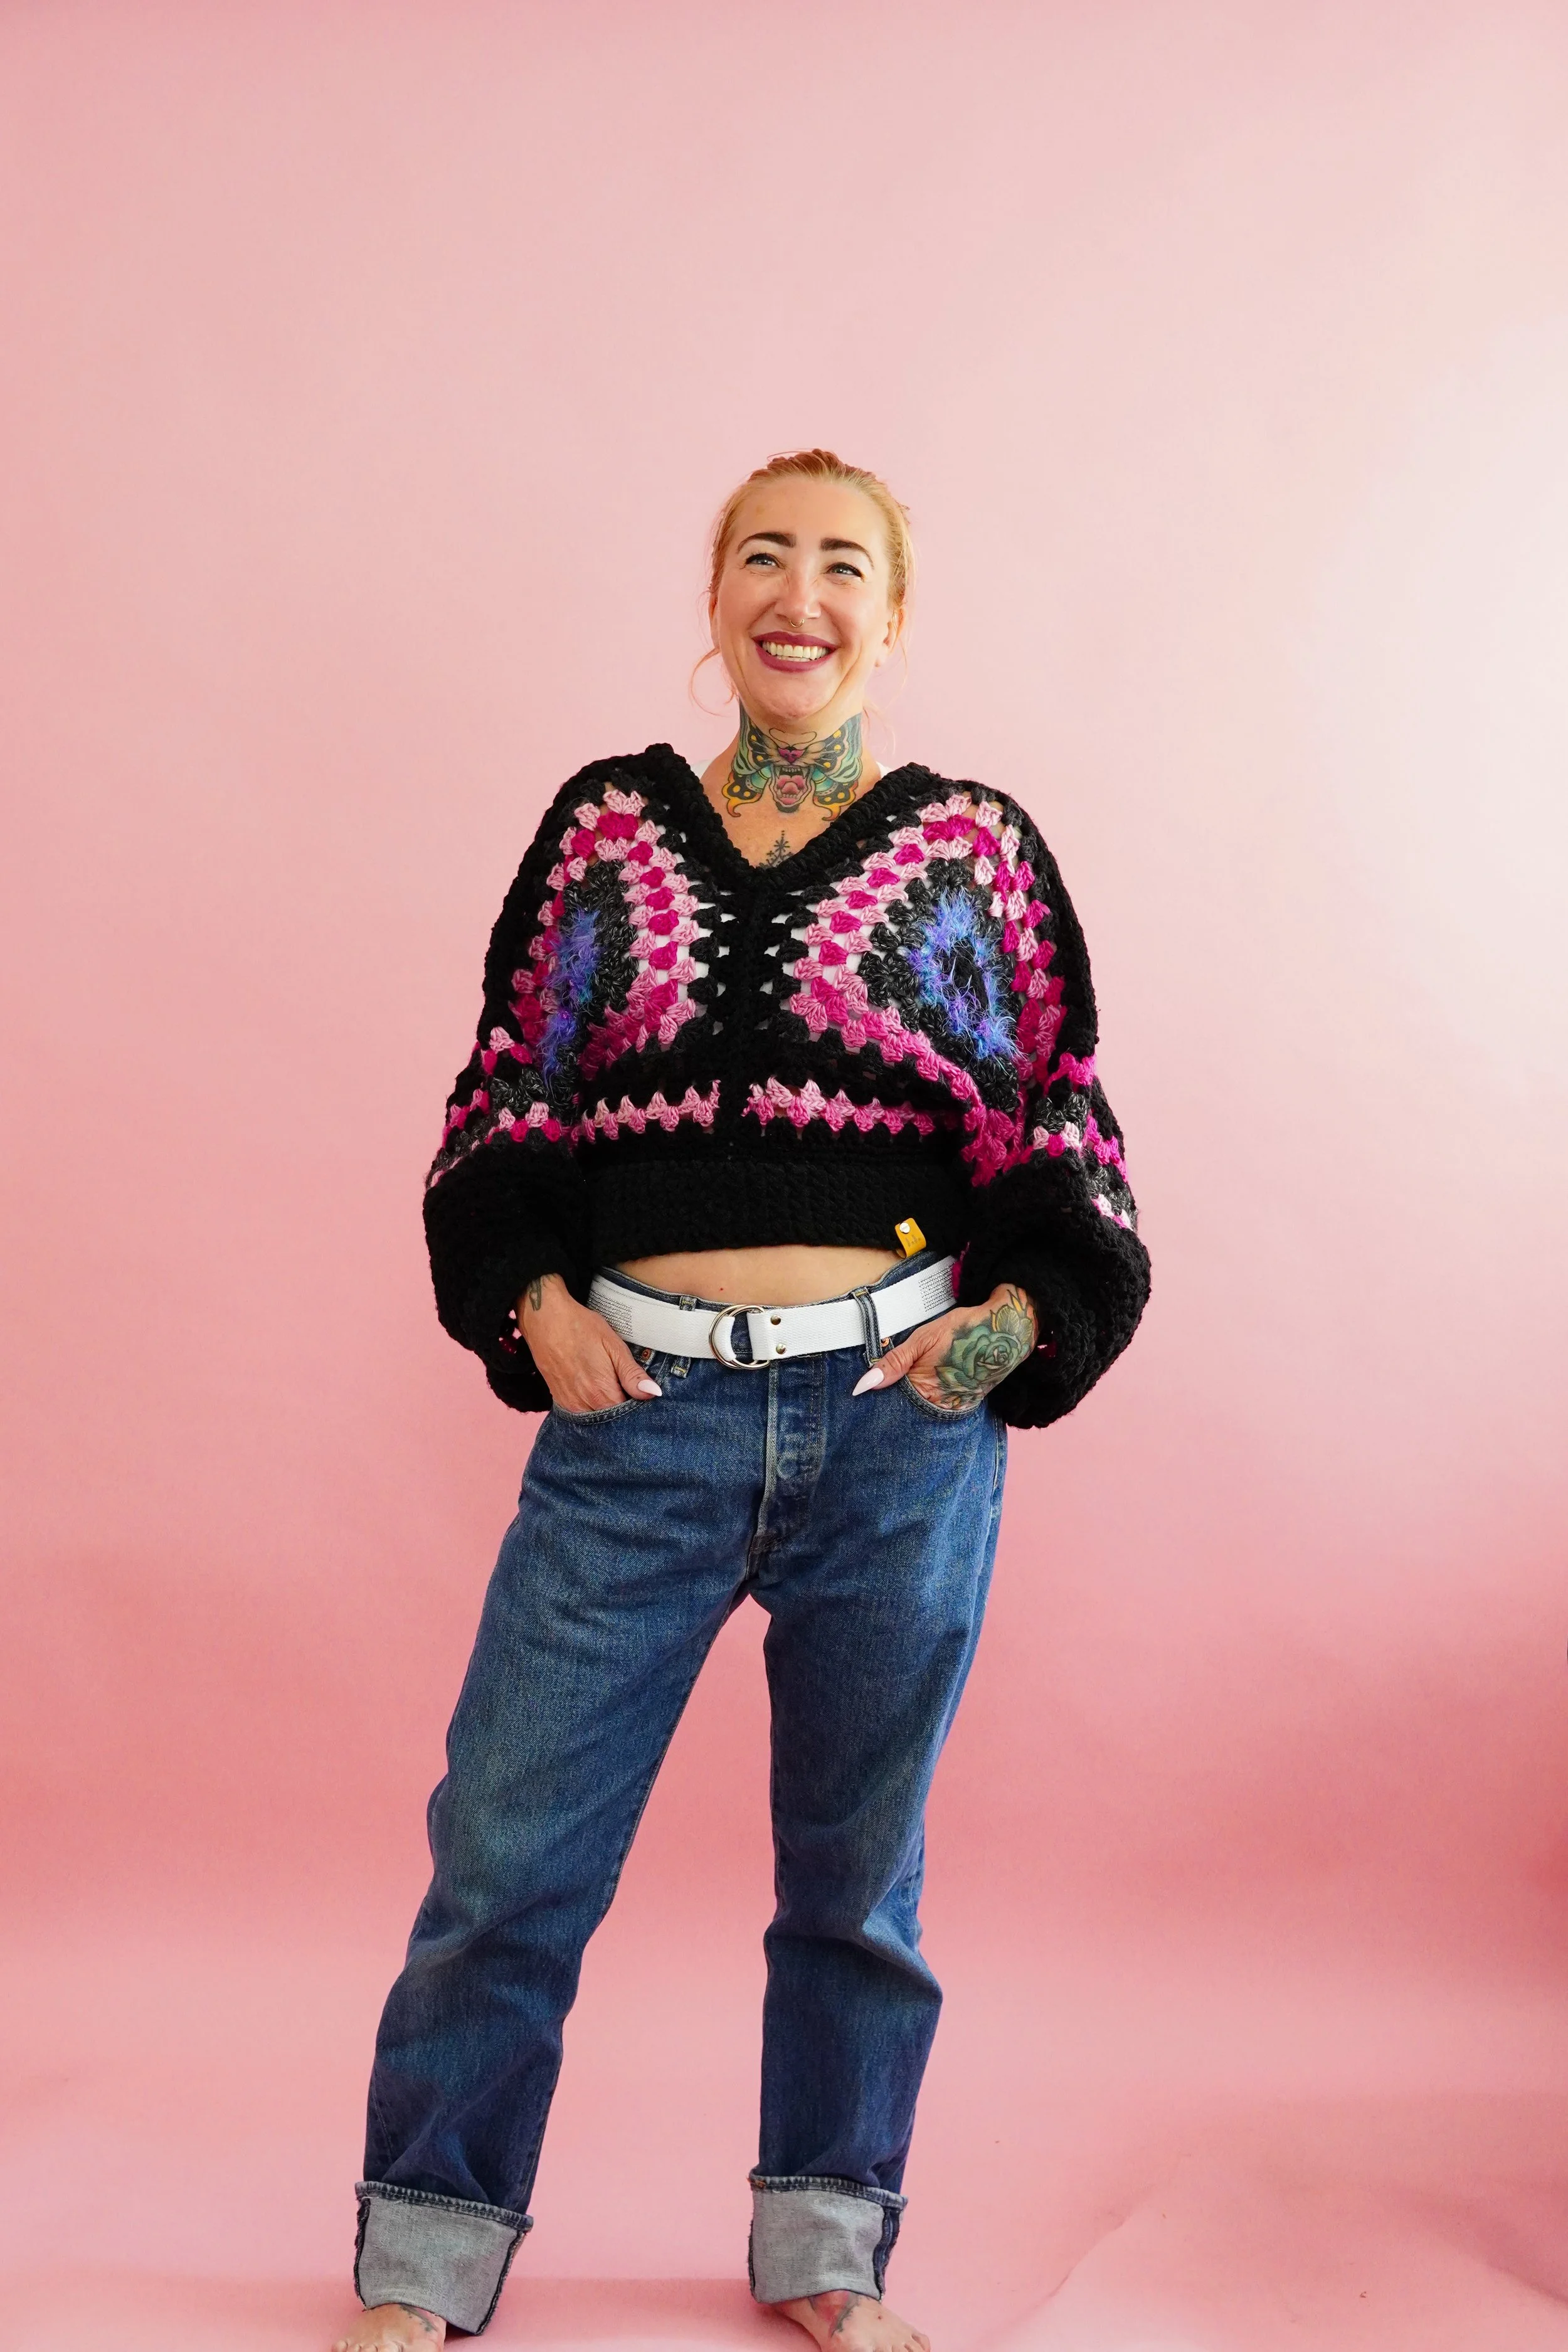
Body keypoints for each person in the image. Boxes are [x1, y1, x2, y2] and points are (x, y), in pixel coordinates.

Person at [334, 449, 1150, 2352]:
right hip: (635, 1422)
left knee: (858, 1879)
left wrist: (1018, 1323)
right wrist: (527, 1299)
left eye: (844, 564)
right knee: (505, 1854)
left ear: (894, 612)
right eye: (763, 557)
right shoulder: (606, 834)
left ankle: (826, 2254)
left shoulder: (975, 853)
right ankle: (426, 2262)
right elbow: (502, 1097)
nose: (801, 594)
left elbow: (1063, 1121)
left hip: (897, 1426)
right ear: (713, 600)